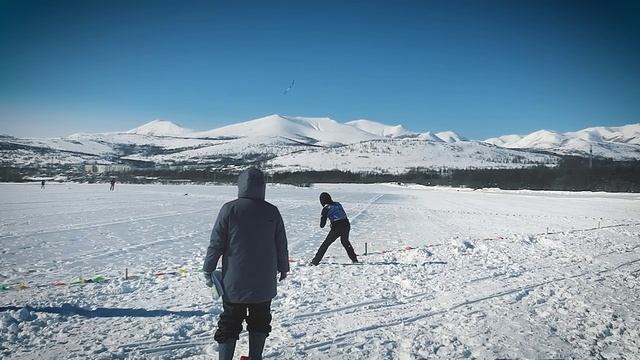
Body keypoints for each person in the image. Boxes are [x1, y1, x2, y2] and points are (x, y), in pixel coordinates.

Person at [203, 168, 289, 360]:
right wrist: (284, 267)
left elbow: (216, 243)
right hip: (264, 283)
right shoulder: (272, 211)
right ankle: (255, 357)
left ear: (241, 185)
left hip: (234, 282)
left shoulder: (229, 209)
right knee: (260, 322)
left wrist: (208, 268)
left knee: (230, 322)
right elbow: (281, 244)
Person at [311, 192, 358, 265]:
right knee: (345, 242)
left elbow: (322, 225)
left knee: (325, 244)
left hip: (337, 226)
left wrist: (323, 216)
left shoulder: (326, 208)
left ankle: (315, 261)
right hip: (346, 224)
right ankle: (354, 259)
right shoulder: (337, 204)